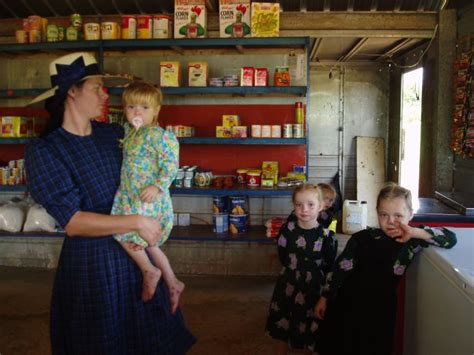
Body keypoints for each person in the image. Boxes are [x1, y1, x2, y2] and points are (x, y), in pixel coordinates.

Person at [25, 52, 196, 354]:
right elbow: (73, 222)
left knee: (150, 340)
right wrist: (137, 222)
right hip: (94, 264)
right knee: (104, 340)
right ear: (72, 92)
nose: (106, 95)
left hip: (135, 254)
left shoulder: (115, 134)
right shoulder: (46, 150)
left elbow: (151, 162)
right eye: (97, 88)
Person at [314, 182, 457, 355]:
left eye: (398, 215)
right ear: (377, 213)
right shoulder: (361, 238)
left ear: (410, 215)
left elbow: (450, 238)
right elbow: (338, 270)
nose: (390, 222)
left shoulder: (411, 241)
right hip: (348, 304)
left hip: (381, 309)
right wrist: (324, 298)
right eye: (384, 215)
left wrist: (415, 232)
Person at [111, 81, 184, 312]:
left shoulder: (160, 136)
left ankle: (149, 271)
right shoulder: (129, 133)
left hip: (148, 199)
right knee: (149, 245)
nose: (137, 112)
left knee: (125, 234)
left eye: (144, 108)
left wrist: (157, 186)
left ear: (156, 111)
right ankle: (172, 281)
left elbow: (171, 166)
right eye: (131, 107)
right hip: (129, 196)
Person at [265, 183, 338, 354]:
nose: (304, 209)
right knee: (283, 321)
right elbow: (283, 255)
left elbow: (329, 264)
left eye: (310, 204)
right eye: (299, 204)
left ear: (321, 206)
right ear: (294, 206)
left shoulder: (327, 236)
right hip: (288, 283)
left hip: (314, 286)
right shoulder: (287, 230)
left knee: (311, 322)